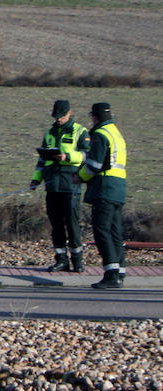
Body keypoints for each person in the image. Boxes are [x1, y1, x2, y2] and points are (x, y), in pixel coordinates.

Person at [30, 100, 91, 272]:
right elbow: (41, 160)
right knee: (55, 224)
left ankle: (77, 261)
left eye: (62, 116)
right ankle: (61, 259)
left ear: (70, 113)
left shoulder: (80, 131)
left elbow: (87, 155)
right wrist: (36, 179)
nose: (58, 119)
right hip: (51, 184)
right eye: (56, 116)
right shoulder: (49, 132)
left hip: (70, 184)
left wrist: (67, 157)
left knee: (72, 224)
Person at [75, 102, 128, 289]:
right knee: (115, 231)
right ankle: (120, 271)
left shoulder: (100, 134)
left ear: (95, 117)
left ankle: (111, 273)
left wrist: (79, 177)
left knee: (102, 231)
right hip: (119, 188)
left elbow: (94, 166)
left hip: (104, 188)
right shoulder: (116, 133)